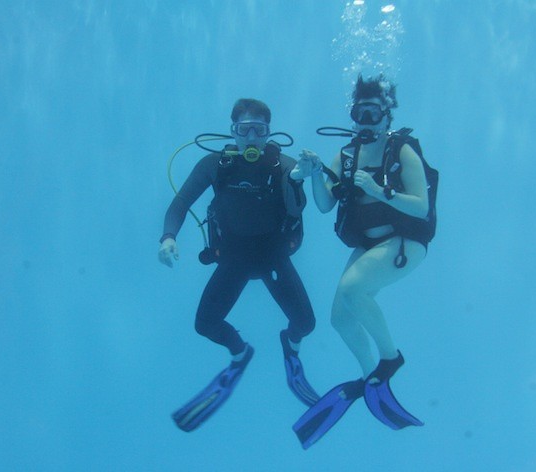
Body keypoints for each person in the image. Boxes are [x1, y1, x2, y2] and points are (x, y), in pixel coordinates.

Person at [158, 98, 319, 432]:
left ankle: (290, 345)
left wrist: (298, 179)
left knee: (305, 322)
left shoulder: (284, 165)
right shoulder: (214, 165)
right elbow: (180, 203)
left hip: (272, 255)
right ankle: (240, 353)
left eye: (258, 131)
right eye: (243, 130)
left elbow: (296, 209)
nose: (250, 138)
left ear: (268, 133)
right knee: (205, 324)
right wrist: (168, 237)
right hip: (235, 257)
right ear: (232, 132)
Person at [290, 75, 433, 449]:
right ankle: (372, 375)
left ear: (387, 116)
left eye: (373, 112)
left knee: (354, 289)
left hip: (405, 241)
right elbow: (324, 205)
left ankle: (390, 359)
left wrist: (378, 190)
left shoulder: (402, 151)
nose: (365, 120)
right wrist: (313, 175)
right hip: (369, 247)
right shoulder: (346, 156)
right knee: (339, 317)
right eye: (359, 112)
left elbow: (421, 206)